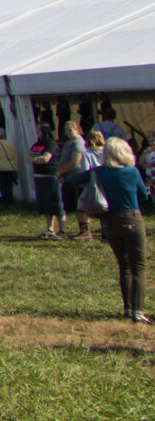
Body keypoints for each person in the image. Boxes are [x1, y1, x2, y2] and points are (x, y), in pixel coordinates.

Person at [94, 137, 151, 322]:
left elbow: (73, 179)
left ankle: (127, 308)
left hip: (111, 220)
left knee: (124, 265)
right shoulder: (131, 171)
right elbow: (143, 194)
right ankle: (138, 311)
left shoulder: (100, 172)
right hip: (132, 218)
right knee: (139, 266)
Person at [59, 122, 98, 242]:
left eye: (70, 130)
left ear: (77, 130)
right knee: (75, 206)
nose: (67, 132)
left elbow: (75, 162)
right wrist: (61, 173)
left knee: (81, 206)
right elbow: (62, 159)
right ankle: (82, 230)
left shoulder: (78, 143)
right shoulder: (67, 143)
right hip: (68, 177)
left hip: (78, 178)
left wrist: (61, 172)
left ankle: (86, 231)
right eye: (66, 130)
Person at [31, 124, 66, 238]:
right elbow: (28, 158)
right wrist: (36, 159)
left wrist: (34, 159)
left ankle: (62, 230)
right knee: (45, 203)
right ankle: (50, 229)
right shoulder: (36, 145)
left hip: (51, 176)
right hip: (39, 176)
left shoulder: (51, 144)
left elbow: (46, 158)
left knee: (56, 203)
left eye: (39, 130)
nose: (37, 132)